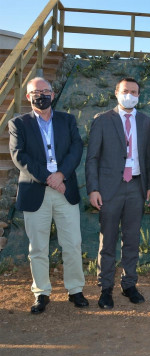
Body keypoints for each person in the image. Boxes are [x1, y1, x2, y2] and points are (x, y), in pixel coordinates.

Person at [8, 77, 88, 314]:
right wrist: (49, 177)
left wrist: (61, 174)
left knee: (72, 244)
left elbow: (76, 149)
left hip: (65, 190)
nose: (41, 95)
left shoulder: (67, 120)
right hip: (36, 191)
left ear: (53, 95)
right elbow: (19, 155)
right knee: (38, 247)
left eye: (45, 91)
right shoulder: (18, 123)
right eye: (36, 92)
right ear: (28, 96)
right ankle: (41, 293)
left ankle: (75, 290)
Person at [85, 77, 150, 309]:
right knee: (108, 241)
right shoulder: (103, 120)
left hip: (136, 186)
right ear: (116, 93)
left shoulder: (145, 121)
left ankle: (129, 284)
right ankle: (106, 288)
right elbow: (92, 158)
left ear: (139, 95)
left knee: (132, 239)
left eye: (134, 92)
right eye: (126, 91)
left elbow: (148, 158)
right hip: (109, 189)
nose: (130, 95)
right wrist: (93, 189)